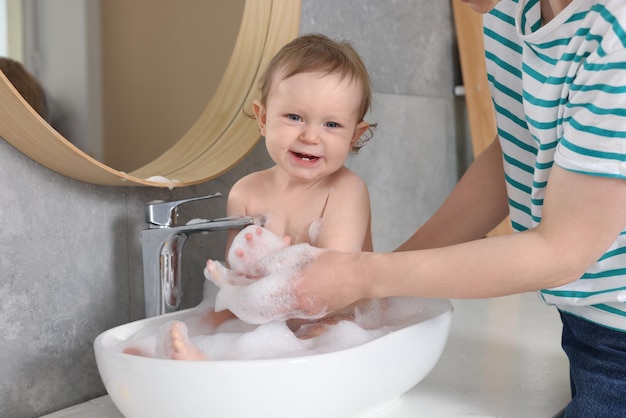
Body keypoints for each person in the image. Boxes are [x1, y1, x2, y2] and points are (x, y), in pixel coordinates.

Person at [224, 1, 625, 417]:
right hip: (586, 326)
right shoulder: (508, 13)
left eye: (331, 124)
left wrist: (363, 276)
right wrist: (377, 282)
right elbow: (520, 150)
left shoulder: (617, 35)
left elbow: (563, 251)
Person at [150, 33, 377, 360]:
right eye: (295, 117)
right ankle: (192, 355)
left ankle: (212, 364)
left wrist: (275, 271)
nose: (310, 135)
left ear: (354, 135)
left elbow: (333, 282)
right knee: (219, 317)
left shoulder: (345, 190)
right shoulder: (246, 192)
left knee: (323, 330)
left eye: (331, 124)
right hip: (272, 317)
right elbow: (239, 282)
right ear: (264, 118)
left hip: (339, 316)